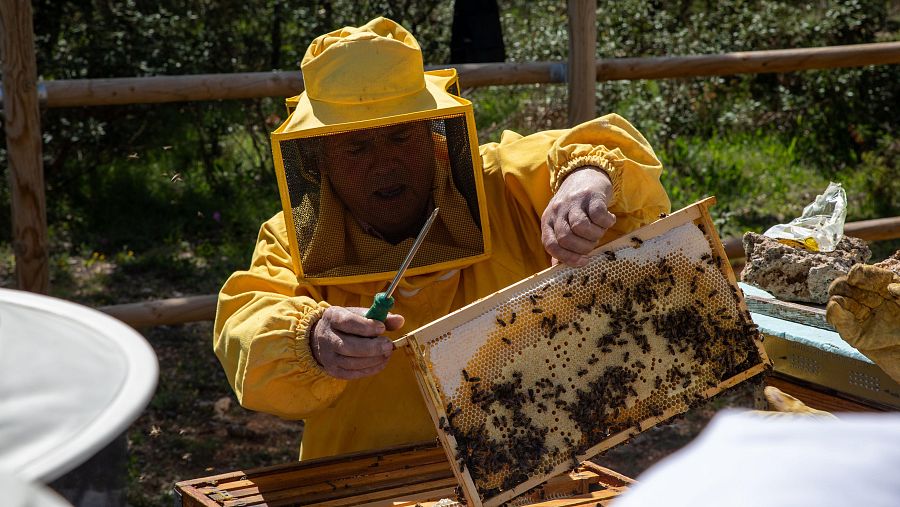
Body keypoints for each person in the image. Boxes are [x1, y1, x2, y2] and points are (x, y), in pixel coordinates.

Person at [213, 17, 670, 460]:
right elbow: (246, 325)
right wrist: (312, 338)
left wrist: (588, 177)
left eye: (399, 137)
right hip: (364, 479)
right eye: (356, 147)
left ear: (432, 136)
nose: (384, 164)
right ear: (319, 160)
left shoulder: (502, 187)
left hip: (523, 466)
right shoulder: (294, 240)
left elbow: (598, 151)